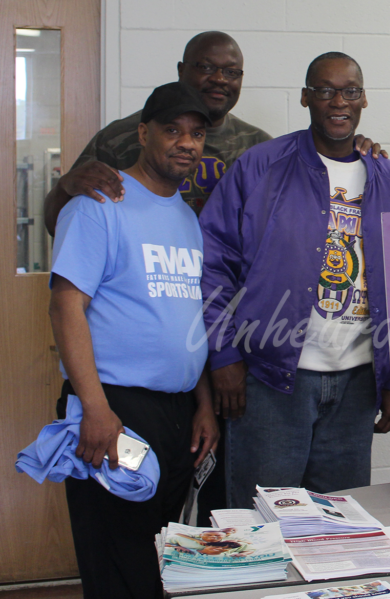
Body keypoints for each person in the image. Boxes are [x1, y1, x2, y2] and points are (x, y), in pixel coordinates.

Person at [199, 52, 390, 509]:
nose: (338, 101)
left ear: (364, 99)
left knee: (338, 528)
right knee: (261, 526)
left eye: (350, 90)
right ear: (305, 98)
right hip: (272, 382)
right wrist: (223, 355)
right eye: (324, 90)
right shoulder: (260, 168)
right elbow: (212, 263)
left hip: (357, 386)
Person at [48, 82, 220, 597]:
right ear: (143, 133)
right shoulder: (100, 203)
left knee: (159, 558)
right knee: (116, 561)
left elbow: (189, 320)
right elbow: (65, 306)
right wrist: (95, 408)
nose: (186, 143)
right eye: (172, 130)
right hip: (114, 407)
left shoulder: (188, 218)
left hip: (175, 412)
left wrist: (203, 403)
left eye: (196, 133)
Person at [43, 31, 271, 232]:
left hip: (227, 277)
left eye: (231, 72)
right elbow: (60, 223)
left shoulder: (259, 147)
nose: (219, 79)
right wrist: (64, 188)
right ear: (181, 70)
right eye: (206, 67)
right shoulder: (119, 138)